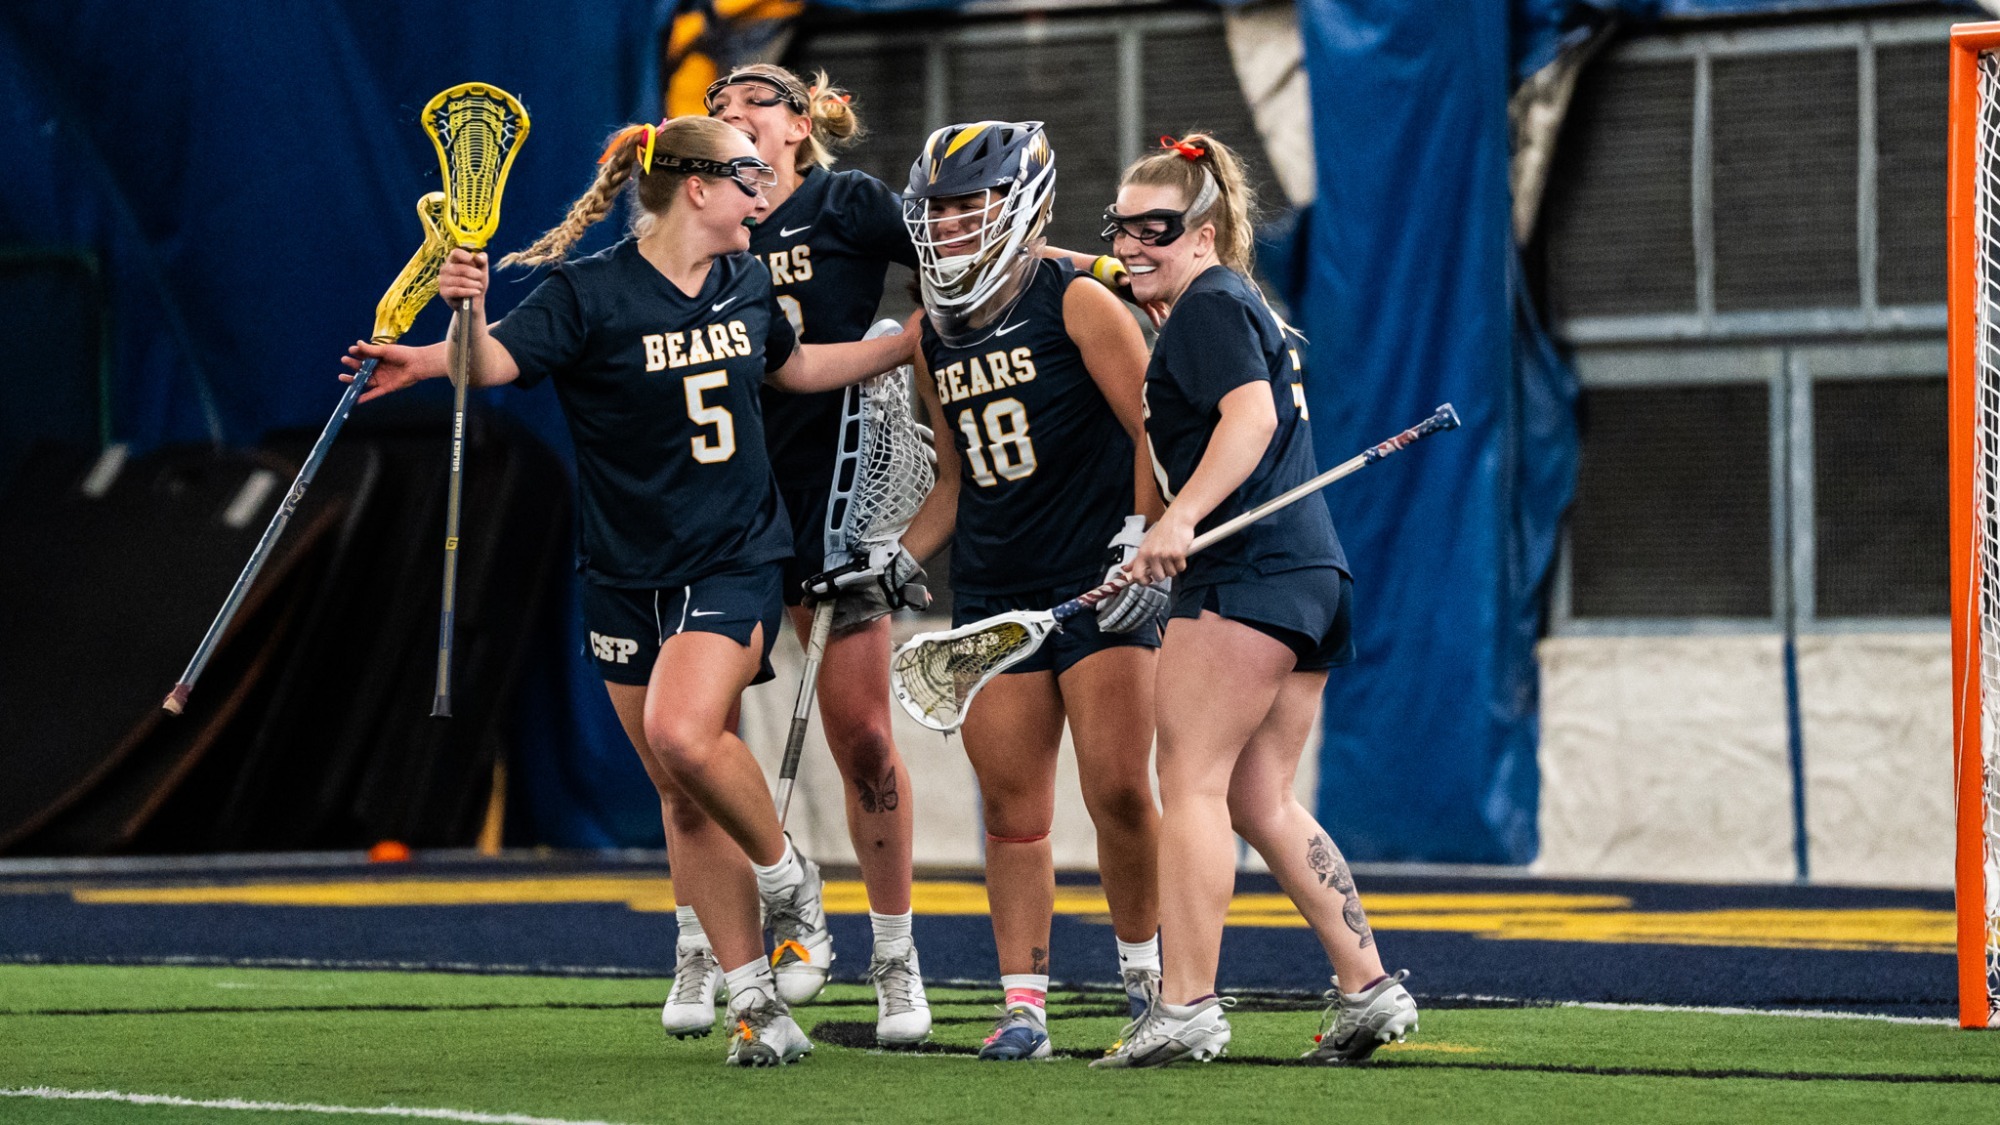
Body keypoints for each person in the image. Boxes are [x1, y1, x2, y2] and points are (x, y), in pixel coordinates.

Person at [342, 114, 916, 1067]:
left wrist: (908, 344)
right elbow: (492, 363)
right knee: (680, 793)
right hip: (621, 570)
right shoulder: (589, 292)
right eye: (746, 177)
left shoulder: (747, 280)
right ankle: (752, 1000)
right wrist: (455, 324)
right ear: (697, 187)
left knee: (682, 732)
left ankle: (790, 878)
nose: (762, 193)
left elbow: (798, 367)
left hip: (733, 554)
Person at [1089, 134, 1419, 1069]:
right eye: (1120, 226)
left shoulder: (1208, 304)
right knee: (1259, 797)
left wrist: (1179, 518)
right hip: (1312, 579)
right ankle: (1369, 986)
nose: (1133, 244)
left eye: (1156, 228)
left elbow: (1251, 418)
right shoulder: (1224, 298)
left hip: (1247, 576)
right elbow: (1119, 272)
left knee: (1191, 783)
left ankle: (1186, 1004)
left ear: (1204, 232)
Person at [871, 119, 1167, 1061]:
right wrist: (897, 555)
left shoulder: (1077, 300)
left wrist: (1143, 540)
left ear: (1020, 205)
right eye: (938, 210)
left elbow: (1155, 429)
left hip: (1098, 581)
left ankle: (1148, 980)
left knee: (1119, 788)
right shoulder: (933, 333)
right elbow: (956, 481)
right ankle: (1024, 1006)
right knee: (1012, 813)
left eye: (969, 206)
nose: (949, 225)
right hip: (997, 589)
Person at [689, 62, 932, 1048]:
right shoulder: (705, 223)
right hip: (729, 506)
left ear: (798, 124)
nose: (731, 115)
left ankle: (894, 955)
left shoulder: (846, 202)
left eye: (752, 102)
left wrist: (1092, 271)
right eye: (716, 109)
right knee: (693, 739)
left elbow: (963, 257)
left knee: (863, 738)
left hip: (837, 501)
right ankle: (718, 940)